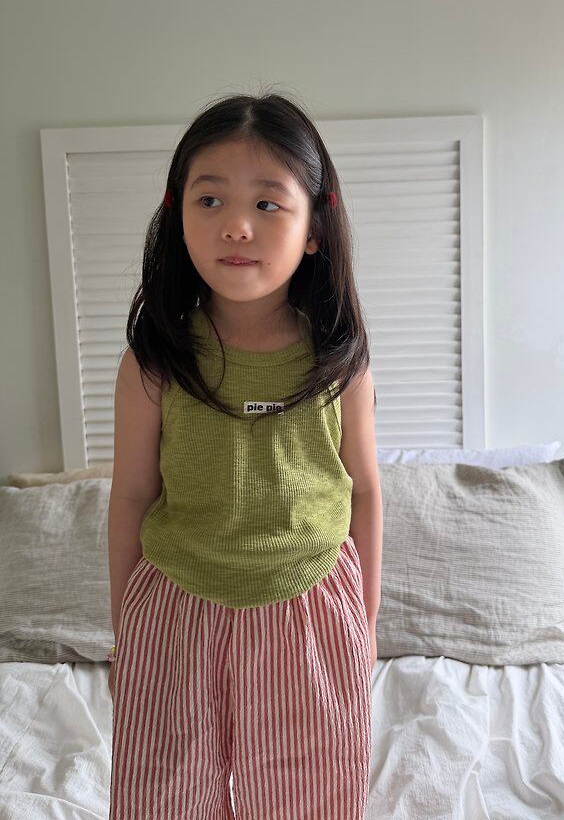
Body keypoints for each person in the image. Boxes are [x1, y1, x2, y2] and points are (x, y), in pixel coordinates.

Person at [106, 91, 382, 819]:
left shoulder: (340, 361)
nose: (235, 224)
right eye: (209, 200)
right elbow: (131, 496)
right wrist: (124, 630)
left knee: (309, 794)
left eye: (267, 203)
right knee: (165, 791)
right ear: (177, 216)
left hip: (309, 608)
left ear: (314, 228)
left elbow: (364, 491)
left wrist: (367, 624)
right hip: (175, 609)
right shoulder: (154, 362)